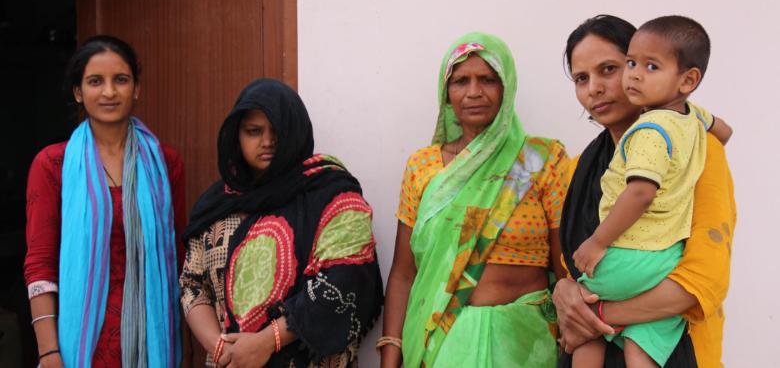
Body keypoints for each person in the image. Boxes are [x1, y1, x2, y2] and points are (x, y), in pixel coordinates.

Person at [556, 15, 737, 368]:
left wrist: (597, 317)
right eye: (581, 78)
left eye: (610, 69)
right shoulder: (580, 168)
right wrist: (564, 293)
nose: (594, 88)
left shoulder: (699, 153)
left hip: (674, 351)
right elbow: (572, 268)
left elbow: (702, 281)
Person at [381, 32, 569, 367]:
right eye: (460, 81)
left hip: (523, 342)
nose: (473, 92)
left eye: (487, 80)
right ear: (446, 94)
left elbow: (563, 264)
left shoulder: (541, 160)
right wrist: (391, 353)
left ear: (506, 87)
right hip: (439, 343)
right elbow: (403, 274)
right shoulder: (423, 167)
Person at [179, 78, 383, 368]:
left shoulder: (331, 195)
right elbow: (192, 284)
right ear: (236, 135)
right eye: (253, 131)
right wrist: (221, 348)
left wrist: (267, 341)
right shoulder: (217, 204)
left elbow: (344, 283)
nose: (267, 142)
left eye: (278, 131)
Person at [24, 35, 185, 368]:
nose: (109, 92)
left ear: (136, 88)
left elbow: (181, 257)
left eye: (121, 80)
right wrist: (49, 351)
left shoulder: (165, 163)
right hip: (77, 347)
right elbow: (40, 264)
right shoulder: (52, 165)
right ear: (78, 92)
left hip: (151, 342)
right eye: (96, 81)